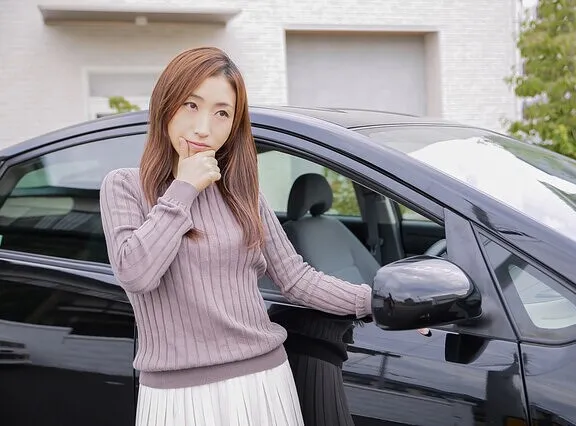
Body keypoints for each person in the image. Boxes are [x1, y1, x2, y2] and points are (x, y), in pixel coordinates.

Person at [99, 46, 373, 426]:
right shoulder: (124, 186)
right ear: (165, 105)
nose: (203, 127)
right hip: (177, 397)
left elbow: (296, 279)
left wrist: (378, 303)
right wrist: (184, 188)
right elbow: (136, 274)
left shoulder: (242, 193)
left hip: (263, 382)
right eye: (191, 105)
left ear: (233, 124)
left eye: (221, 113)